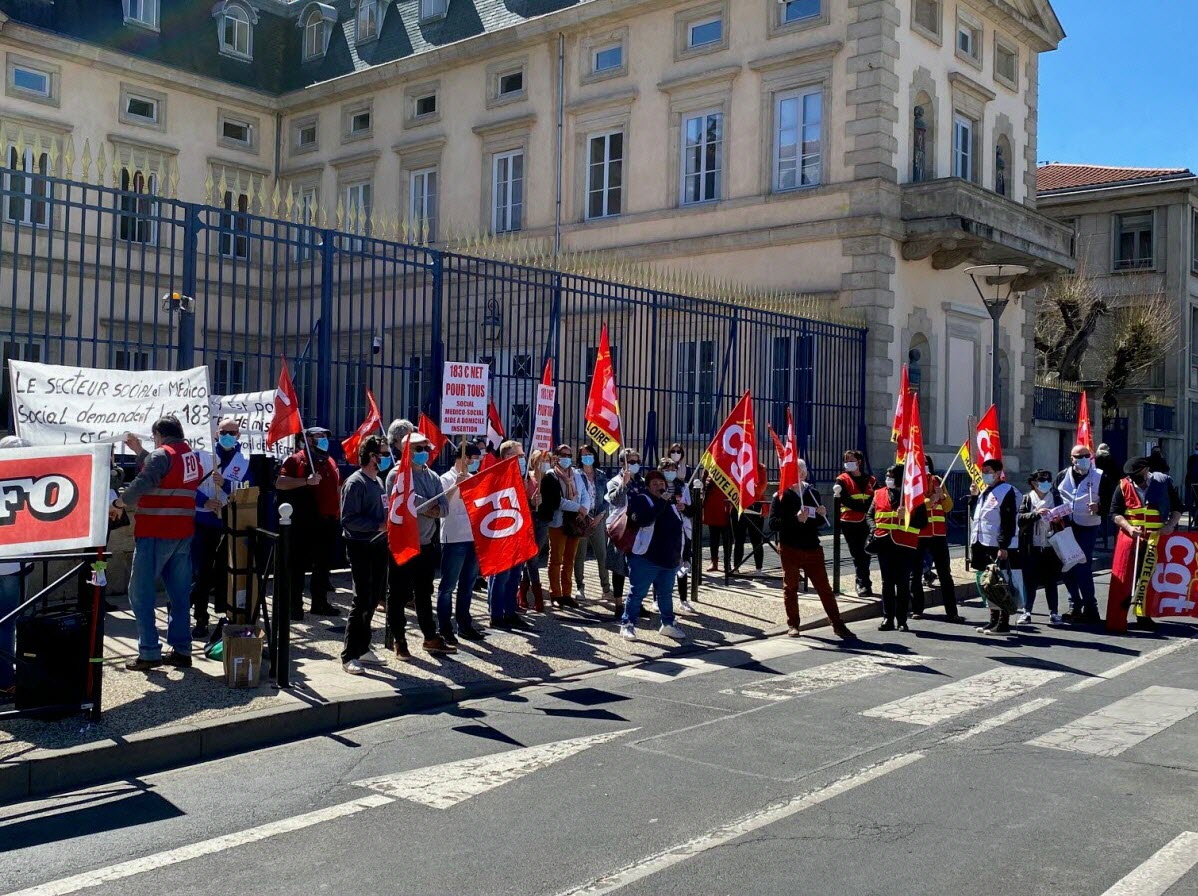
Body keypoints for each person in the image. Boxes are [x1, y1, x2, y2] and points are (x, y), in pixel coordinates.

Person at [111, 416, 203, 670]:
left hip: (155, 532)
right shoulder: (191, 458)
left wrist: (119, 503)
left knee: (140, 593)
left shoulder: (161, 454)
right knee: (180, 595)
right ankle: (182, 650)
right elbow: (166, 473)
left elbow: (146, 480)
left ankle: (149, 652)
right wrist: (141, 452)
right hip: (182, 534)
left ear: (159, 435)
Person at [769, 458, 854, 640]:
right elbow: (773, 523)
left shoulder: (812, 492)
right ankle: (793, 624)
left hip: (812, 547)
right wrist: (795, 519)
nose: (801, 473)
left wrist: (822, 514)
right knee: (791, 588)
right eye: (797, 471)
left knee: (824, 588)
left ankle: (837, 623)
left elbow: (818, 522)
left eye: (802, 470)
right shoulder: (780, 495)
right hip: (790, 547)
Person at [387, 432, 452, 657]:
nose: (424, 452)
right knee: (398, 594)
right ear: (407, 450)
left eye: (426, 448)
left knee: (424, 593)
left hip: (425, 543)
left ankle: (430, 637)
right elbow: (406, 502)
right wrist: (429, 506)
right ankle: (399, 639)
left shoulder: (432, 476)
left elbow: (444, 508)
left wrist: (426, 507)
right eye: (419, 448)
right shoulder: (396, 475)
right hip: (403, 543)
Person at [190, 416, 253, 637]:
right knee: (202, 571)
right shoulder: (202, 455)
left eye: (232, 433)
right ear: (216, 433)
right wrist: (204, 501)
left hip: (229, 519)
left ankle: (226, 613)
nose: (228, 436)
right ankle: (200, 617)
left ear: (238, 436)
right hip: (202, 520)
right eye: (224, 432)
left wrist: (225, 484)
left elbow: (247, 489)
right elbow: (187, 484)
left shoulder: (243, 461)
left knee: (225, 571)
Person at [1108, 456, 1183, 632]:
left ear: (1146, 469)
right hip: (1131, 539)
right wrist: (1128, 527)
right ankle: (1119, 617)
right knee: (1126, 577)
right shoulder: (1123, 485)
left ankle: (1144, 615)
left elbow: (1178, 507)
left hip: (1156, 539)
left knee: (1150, 578)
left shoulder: (1162, 482)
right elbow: (1115, 513)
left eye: (1137, 473)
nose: (1134, 478)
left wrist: (1170, 526)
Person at [275, 426, 342, 619]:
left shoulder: (329, 460)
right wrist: (306, 481)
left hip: (328, 521)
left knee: (323, 565)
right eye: (319, 436)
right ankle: (294, 606)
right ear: (308, 439)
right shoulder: (296, 460)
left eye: (325, 436)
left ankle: (319, 603)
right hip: (304, 522)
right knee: (298, 565)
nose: (323, 439)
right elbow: (280, 483)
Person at [339, 436, 391, 675]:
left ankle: (363, 647)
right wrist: (378, 526)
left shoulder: (378, 481)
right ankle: (349, 654)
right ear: (372, 456)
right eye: (384, 453)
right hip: (360, 546)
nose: (387, 457)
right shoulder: (355, 483)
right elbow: (348, 519)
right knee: (360, 599)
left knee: (372, 598)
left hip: (378, 545)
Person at [619, 470, 687, 641]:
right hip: (646, 558)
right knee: (637, 593)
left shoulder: (671, 503)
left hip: (668, 559)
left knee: (665, 593)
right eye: (655, 484)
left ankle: (668, 624)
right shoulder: (642, 500)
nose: (659, 486)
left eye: (661, 483)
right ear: (648, 487)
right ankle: (627, 624)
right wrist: (661, 503)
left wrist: (682, 554)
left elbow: (679, 528)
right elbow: (642, 520)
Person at [865, 464, 924, 632]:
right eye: (887, 475)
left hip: (905, 544)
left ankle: (902, 620)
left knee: (903, 583)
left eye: (891, 476)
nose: (888, 479)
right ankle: (887, 618)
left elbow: (922, 522)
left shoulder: (913, 496)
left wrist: (907, 517)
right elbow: (869, 515)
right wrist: (873, 529)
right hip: (884, 543)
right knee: (887, 583)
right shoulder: (879, 493)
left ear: (900, 478)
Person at [438, 443, 484, 643]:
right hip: (453, 538)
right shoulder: (445, 478)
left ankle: (464, 624)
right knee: (448, 585)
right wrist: (456, 485)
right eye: (475, 459)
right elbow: (440, 505)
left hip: (472, 537)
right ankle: (444, 628)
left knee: (467, 585)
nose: (476, 463)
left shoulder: (474, 478)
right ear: (465, 458)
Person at [488, 439, 534, 630]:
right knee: (501, 576)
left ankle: (510, 611)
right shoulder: (495, 476)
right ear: (507, 456)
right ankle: (496, 615)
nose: (523, 459)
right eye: (519, 455)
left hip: (518, 532)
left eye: (523, 456)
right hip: (501, 533)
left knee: (515, 575)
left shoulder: (521, 477)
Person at [970, 458, 1020, 635]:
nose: (985, 475)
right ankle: (993, 619)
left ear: (998, 473)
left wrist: (1003, 545)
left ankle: (1003, 623)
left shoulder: (1006, 491)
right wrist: (974, 497)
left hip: (996, 545)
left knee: (999, 583)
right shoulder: (984, 491)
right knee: (988, 583)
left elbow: (1008, 521)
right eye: (983, 472)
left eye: (988, 472)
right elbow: (977, 516)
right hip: (981, 543)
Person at [1055, 444, 1102, 625]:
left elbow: (1111, 501)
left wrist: (1099, 507)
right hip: (1066, 527)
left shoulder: (1100, 476)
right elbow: (1055, 497)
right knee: (1068, 566)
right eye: (1078, 456)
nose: (1083, 459)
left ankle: (1091, 607)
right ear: (1072, 459)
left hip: (1088, 527)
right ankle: (1074, 604)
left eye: (1086, 456)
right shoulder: (1062, 476)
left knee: (1083, 565)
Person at [910, 462, 963, 623]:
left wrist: (942, 497)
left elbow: (948, 507)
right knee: (916, 573)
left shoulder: (937, 480)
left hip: (938, 534)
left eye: (926, 464)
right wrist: (929, 501)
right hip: (920, 533)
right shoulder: (913, 481)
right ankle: (917, 609)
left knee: (945, 573)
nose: (924, 466)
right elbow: (912, 503)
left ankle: (952, 612)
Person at [0, 436, 32, 700]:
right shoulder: (32, 483)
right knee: (7, 621)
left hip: (12, 561)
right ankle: (5, 681)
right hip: (14, 562)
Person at [540, 444, 592, 609]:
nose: (566, 458)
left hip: (574, 522)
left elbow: (585, 495)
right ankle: (555, 594)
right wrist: (578, 508)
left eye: (569, 455)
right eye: (563, 455)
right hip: (558, 522)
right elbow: (556, 500)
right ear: (556, 457)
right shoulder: (551, 475)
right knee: (556, 559)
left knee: (569, 559)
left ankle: (567, 594)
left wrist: (584, 510)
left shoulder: (576, 474)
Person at [1018, 470, 1064, 626]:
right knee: (1029, 581)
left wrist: (1058, 519)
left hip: (1051, 545)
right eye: (1042, 480)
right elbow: (1020, 518)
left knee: (1051, 581)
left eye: (1048, 480)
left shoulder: (1055, 497)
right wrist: (1036, 514)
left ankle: (1054, 612)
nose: (1046, 483)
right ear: (1034, 483)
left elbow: (1065, 517)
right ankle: (1026, 611)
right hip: (1032, 546)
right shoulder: (1027, 498)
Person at [606, 449, 645, 615]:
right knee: (619, 567)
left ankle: (636, 602)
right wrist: (624, 484)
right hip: (621, 529)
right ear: (623, 463)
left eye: (637, 461)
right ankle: (618, 604)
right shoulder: (614, 481)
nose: (635, 464)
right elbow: (616, 500)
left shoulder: (642, 481)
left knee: (638, 568)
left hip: (639, 528)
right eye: (631, 461)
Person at [574, 443, 613, 606]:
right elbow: (574, 496)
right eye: (583, 455)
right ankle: (580, 587)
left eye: (589, 454)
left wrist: (600, 516)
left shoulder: (601, 475)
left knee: (602, 554)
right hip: (581, 518)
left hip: (598, 518)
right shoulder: (576, 474)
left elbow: (606, 497)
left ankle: (606, 588)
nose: (587, 457)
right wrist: (584, 515)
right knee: (580, 555)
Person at [835, 450, 876, 597]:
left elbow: (877, 497)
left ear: (859, 462)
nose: (848, 463)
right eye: (846, 460)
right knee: (857, 553)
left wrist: (868, 510)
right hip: (850, 521)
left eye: (851, 460)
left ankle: (864, 581)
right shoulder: (842, 479)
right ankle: (862, 583)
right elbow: (845, 499)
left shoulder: (871, 480)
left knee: (867, 552)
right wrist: (865, 508)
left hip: (867, 521)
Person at [659, 458, 697, 614]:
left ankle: (683, 599)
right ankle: (657, 599)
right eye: (667, 470)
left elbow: (693, 510)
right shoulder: (657, 486)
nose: (670, 472)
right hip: (663, 531)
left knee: (683, 564)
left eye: (673, 469)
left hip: (682, 531)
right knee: (661, 566)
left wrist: (684, 508)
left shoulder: (683, 486)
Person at [518, 448, 549, 612]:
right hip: (528, 521)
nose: (545, 464)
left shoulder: (550, 478)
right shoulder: (526, 478)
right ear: (534, 462)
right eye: (542, 460)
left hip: (542, 521)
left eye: (547, 461)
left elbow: (555, 501)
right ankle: (534, 596)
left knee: (532, 557)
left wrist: (543, 502)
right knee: (530, 557)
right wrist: (531, 501)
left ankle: (524, 593)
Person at [733, 462, 768, 575]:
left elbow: (761, 488)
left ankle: (758, 569)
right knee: (739, 540)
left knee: (756, 540)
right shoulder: (737, 465)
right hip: (739, 506)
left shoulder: (760, 468)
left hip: (755, 507)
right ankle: (736, 567)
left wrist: (747, 486)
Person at [702, 483, 733, 573]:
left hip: (726, 506)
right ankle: (714, 562)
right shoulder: (709, 474)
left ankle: (727, 563)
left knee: (727, 538)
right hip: (713, 507)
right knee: (713, 538)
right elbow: (704, 485)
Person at [1184, 442, 1198, 519]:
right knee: (1189, 504)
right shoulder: (1192, 458)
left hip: (1191, 483)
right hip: (1191, 484)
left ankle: (1195, 518)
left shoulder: (1191, 458)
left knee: (1189, 504)